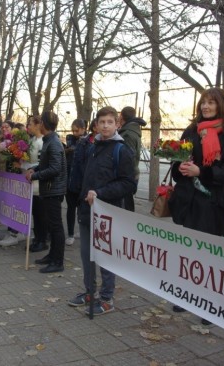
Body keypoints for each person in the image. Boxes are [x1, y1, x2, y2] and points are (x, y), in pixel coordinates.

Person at [169, 88, 224, 322]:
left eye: (211, 103)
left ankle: (209, 303)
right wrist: (179, 168)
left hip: (211, 202)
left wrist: (202, 171)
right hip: (188, 200)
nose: (205, 107)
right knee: (187, 251)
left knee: (209, 256)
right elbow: (178, 158)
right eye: (203, 103)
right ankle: (185, 295)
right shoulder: (191, 130)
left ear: (221, 105)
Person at [67, 106, 136, 315]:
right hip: (87, 211)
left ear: (117, 124)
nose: (105, 126)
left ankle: (107, 298)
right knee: (87, 254)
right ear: (96, 125)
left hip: (108, 212)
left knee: (105, 256)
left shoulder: (122, 150)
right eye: (102, 122)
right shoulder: (91, 146)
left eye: (110, 122)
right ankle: (90, 292)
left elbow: (128, 184)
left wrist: (101, 193)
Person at [25, 111, 67, 273]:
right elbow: (45, 163)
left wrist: (35, 175)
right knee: (52, 224)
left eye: (40, 122)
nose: (38, 124)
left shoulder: (54, 143)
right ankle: (52, 255)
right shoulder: (49, 141)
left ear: (44, 124)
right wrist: (33, 169)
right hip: (48, 189)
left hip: (53, 190)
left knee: (56, 227)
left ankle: (58, 261)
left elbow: (55, 168)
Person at [23, 115, 47, 252]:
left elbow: (40, 163)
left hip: (38, 181)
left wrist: (29, 167)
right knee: (35, 213)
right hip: (30, 178)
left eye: (31, 124)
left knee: (40, 213)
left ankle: (42, 240)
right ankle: (37, 237)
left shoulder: (42, 141)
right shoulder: (32, 140)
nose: (28, 127)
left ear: (38, 125)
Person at [118, 106, 146, 211]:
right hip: (132, 174)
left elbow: (128, 159)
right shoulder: (132, 130)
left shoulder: (127, 134)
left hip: (127, 176)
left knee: (125, 207)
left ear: (122, 117)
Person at [64, 119, 87, 246]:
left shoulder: (87, 142)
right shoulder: (71, 140)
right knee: (70, 208)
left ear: (84, 128)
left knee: (82, 209)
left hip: (82, 181)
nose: (75, 133)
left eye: (77, 130)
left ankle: (81, 231)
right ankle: (71, 233)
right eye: (73, 130)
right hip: (70, 180)